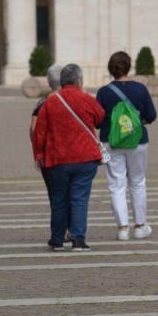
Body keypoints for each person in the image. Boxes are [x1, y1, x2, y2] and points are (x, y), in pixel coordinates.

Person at [32, 64, 105, 251]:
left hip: (57, 159)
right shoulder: (87, 99)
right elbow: (100, 119)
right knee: (79, 199)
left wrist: (38, 155)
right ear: (79, 81)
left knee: (59, 200)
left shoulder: (50, 102)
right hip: (85, 158)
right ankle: (78, 240)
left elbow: (39, 132)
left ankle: (57, 239)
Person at [95, 51, 157, 241]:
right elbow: (152, 116)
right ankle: (140, 226)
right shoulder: (140, 89)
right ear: (129, 67)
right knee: (138, 182)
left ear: (111, 70)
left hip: (111, 141)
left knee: (116, 185)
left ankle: (123, 228)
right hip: (137, 141)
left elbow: (97, 121)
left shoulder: (104, 92)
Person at [30, 64, 70, 239]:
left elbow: (33, 130)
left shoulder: (42, 103)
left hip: (49, 157)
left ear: (48, 82)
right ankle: (73, 230)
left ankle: (59, 233)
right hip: (73, 154)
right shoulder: (73, 100)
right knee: (73, 194)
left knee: (56, 196)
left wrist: (37, 154)